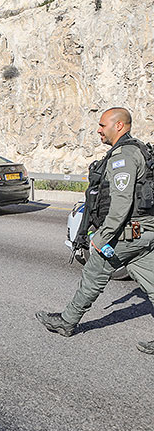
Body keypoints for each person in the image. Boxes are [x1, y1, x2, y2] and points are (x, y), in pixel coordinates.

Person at [36, 107, 154, 353]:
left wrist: (103, 236)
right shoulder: (139, 149)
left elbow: (121, 204)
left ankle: (67, 322)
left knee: (94, 272)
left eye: (102, 125)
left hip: (128, 233)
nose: (99, 130)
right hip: (145, 232)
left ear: (119, 126)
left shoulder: (124, 156)